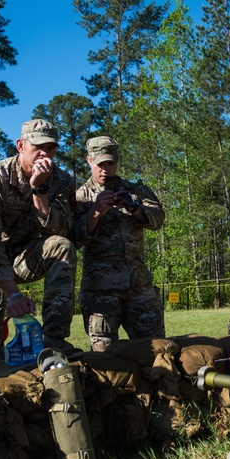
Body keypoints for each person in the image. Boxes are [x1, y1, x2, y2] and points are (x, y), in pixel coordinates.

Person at [0, 119, 79, 377]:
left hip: (21, 257)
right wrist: (12, 295)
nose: (45, 154)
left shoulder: (61, 181)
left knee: (61, 247)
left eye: (51, 148)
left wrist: (39, 191)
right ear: (21, 146)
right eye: (38, 147)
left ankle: (54, 340)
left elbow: (61, 231)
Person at [72, 135, 165, 351]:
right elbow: (73, 237)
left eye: (110, 163)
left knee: (156, 350)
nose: (105, 170)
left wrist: (134, 207)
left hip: (139, 287)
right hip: (100, 293)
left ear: (117, 162)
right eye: (100, 164)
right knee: (105, 357)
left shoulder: (136, 191)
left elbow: (158, 218)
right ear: (89, 161)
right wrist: (95, 212)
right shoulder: (79, 197)